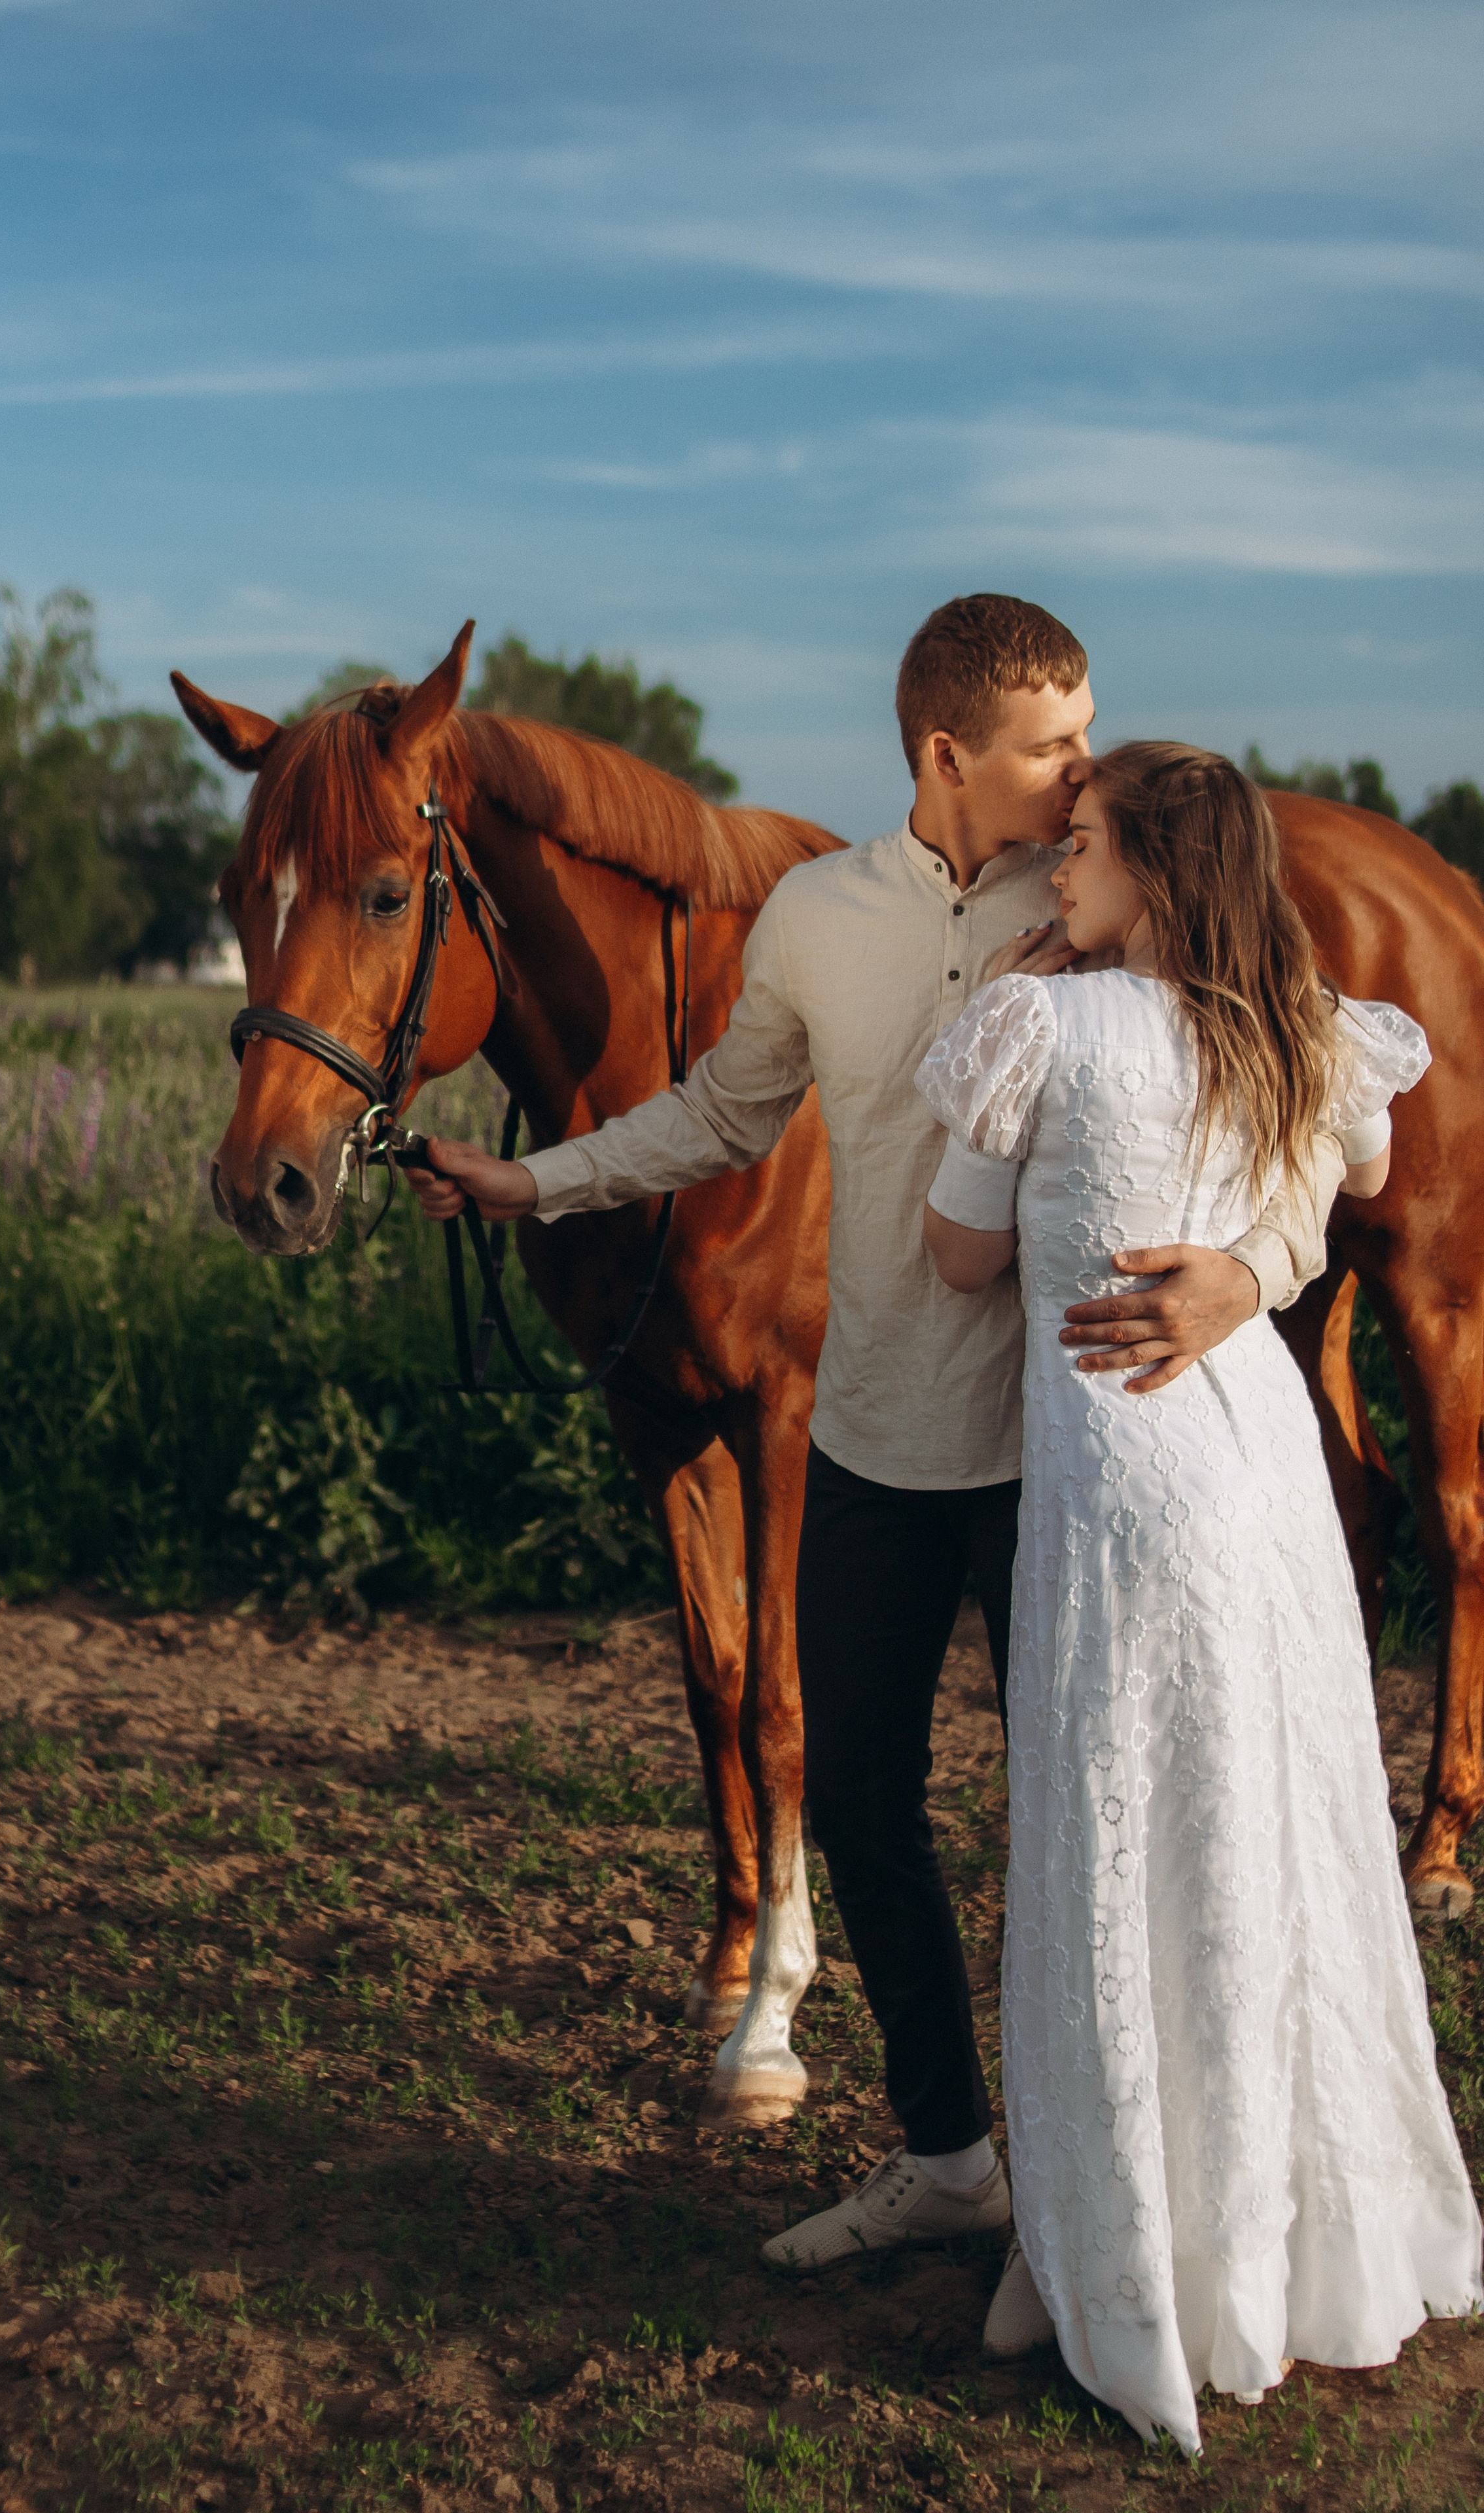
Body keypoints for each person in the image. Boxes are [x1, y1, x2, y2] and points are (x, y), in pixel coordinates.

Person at [406, 597, 1339, 2271]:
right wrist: (527, 1179)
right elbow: (723, 1109)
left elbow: (1292, 1108)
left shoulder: (1123, 908)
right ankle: (947, 2153)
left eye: (1082, 741)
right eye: (1051, 745)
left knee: (1088, 1820)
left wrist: (1248, 1277)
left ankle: (1103, 2202)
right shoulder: (814, 918)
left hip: (1079, 1446)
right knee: (859, 1802)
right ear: (944, 758)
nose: (1078, 772)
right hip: (877, 1439)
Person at [917, 743, 1483, 2448]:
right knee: (1281, 1834)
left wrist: (1041, 1030)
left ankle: (1130, 2253)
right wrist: (1250, 1252)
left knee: (1116, 1847)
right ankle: (1295, 2238)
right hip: (1271, 1496)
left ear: (1154, 871)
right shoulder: (1301, 1032)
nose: (1053, 871)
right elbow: (1360, 1185)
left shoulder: (1048, 1024)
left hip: (1129, 1497)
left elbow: (956, 1257)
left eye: (1079, 848)